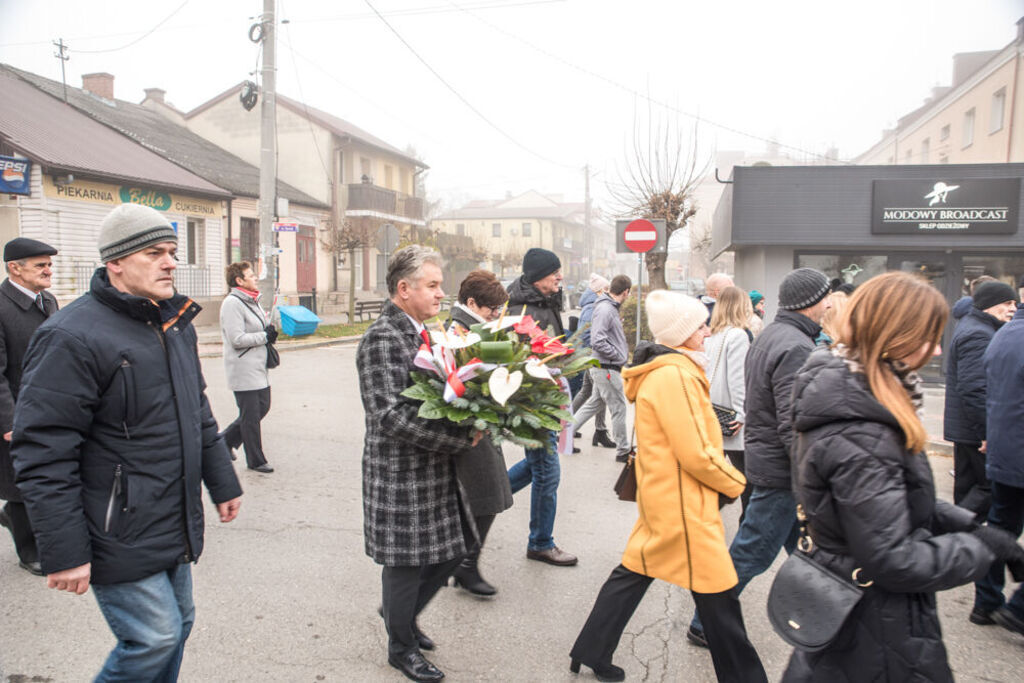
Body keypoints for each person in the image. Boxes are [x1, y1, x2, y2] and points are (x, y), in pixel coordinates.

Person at [11, 203, 243, 680]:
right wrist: (65, 550)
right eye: (155, 252)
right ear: (115, 261)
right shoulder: (71, 336)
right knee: (152, 637)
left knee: (178, 626)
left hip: (169, 513)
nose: (170, 263)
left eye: (173, 252)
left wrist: (223, 482)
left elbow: (195, 409)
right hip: (115, 523)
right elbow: (43, 451)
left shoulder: (170, 323)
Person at [782, 271, 1024, 681]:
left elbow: (896, 497)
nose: (934, 351)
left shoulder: (858, 398)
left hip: (866, 613)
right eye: (927, 337)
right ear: (894, 335)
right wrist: (979, 551)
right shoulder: (862, 426)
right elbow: (893, 560)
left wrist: (976, 530)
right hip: (874, 621)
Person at [569, 290, 766, 683]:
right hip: (683, 503)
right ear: (682, 333)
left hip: (666, 495)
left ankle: (591, 649)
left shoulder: (670, 371)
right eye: (699, 325)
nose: (707, 330)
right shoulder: (676, 375)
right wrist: (736, 484)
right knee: (719, 595)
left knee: (635, 570)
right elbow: (696, 453)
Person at [688, 267, 831, 647]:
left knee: (805, 551)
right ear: (812, 302)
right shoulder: (796, 346)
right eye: (826, 297)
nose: (830, 304)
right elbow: (792, 420)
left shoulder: (773, 335)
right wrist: (811, 470)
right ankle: (705, 621)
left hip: (772, 462)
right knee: (752, 551)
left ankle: (827, 615)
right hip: (781, 471)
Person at [357, 245, 480, 682]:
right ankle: (401, 646)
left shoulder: (423, 330)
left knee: (458, 547)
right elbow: (389, 415)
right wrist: (460, 436)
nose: (439, 294)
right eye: (431, 286)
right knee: (405, 564)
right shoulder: (382, 337)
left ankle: (398, 614)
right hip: (402, 472)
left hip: (432, 467)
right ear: (403, 288)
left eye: (439, 285)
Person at [506, 248, 577, 566]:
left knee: (537, 468)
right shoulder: (523, 309)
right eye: (554, 272)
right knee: (548, 473)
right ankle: (541, 542)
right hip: (533, 401)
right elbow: (521, 359)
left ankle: (473, 501)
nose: (560, 277)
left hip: (545, 397)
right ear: (537, 277)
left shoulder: (542, 303)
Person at [445, 270, 514, 597]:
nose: (495, 314)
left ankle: (464, 564)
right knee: (484, 497)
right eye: (491, 308)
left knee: (487, 498)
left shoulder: (476, 326)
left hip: (482, 422)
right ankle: (462, 565)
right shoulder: (457, 330)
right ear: (472, 302)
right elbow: (457, 378)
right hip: (469, 426)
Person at [0, 237, 58, 576]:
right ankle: (29, 549)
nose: (48, 270)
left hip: (47, 406)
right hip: (16, 410)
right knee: (20, 481)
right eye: (40, 265)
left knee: (43, 476)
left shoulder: (48, 300)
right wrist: (8, 420)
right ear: (14, 268)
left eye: (49, 264)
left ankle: (18, 521)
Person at [943, 280, 1018, 520]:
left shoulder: (977, 327)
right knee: (985, 488)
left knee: (969, 489)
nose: (1013, 308)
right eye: (1007, 303)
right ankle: (952, 532)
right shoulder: (979, 334)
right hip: (974, 430)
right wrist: (987, 432)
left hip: (968, 428)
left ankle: (957, 538)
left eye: (1015, 303)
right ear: (989, 305)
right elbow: (974, 388)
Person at [973, 298, 1024, 633]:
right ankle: (1019, 609)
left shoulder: (1004, 335)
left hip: (1005, 451)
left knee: (999, 527)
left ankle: (986, 602)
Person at [219, 261, 277, 474]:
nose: (255, 278)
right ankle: (256, 460)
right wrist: (264, 336)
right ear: (239, 281)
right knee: (251, 416)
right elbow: (236, 338)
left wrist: (268, 330)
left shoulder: (253, 302)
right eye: (250, 275)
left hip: (258, 366)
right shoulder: (232, 303)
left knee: (262, 406)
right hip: (243, 367)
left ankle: (224, 441)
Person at [572, 275, 632, 463]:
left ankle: (565, 435)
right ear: (626, 292)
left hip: (603, 365)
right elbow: (598, 340)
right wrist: (619, 355)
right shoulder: (606, 309)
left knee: (595, 402)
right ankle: (623, 451)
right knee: (619, 407)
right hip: (606, 366)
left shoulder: (607, 307)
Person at [704, 285, 752, 519]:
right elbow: (737, 378)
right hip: (729, 414)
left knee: (716, 473)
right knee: (745, 477)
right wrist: (742, 413)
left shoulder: (711, 334)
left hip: (711, 410)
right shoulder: (738, 335)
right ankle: (748, 524)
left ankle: (703, 518)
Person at [571, 274, 614, 449]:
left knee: (589, 391)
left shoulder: (593, 305)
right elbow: (587, 333)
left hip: (589, 354)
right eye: (607, 289)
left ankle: (571, 425)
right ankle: (572, 427)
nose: (609, 292)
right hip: (592, 355)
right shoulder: (592, 307)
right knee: (598, 393)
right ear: (599, 290)